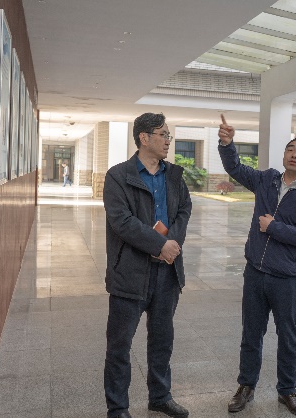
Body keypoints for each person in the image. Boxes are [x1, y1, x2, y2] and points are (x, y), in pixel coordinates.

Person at [218, 115, 296, 417]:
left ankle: (288, 390)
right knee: (251, 333)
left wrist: (274, 227)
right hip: (255, 272)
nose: (294, 154)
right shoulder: (267, 179)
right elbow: (235, 168)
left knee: (288, 336)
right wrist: (227, 144)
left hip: (287, 278)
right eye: (290, 149)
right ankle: (246, 386)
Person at [103, 113, 191, 418]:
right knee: (119, 345)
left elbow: (184, 210)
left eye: (169, 135)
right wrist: (159, 245)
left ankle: (160, 397)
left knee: (162, 340)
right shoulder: (118, 176)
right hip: (129, 271)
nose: (168, 141)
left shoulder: (174, 176)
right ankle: (118, 408)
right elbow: (121, 221)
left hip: (167, 272)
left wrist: (172, 244)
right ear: (144, 137)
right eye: (163, 134)